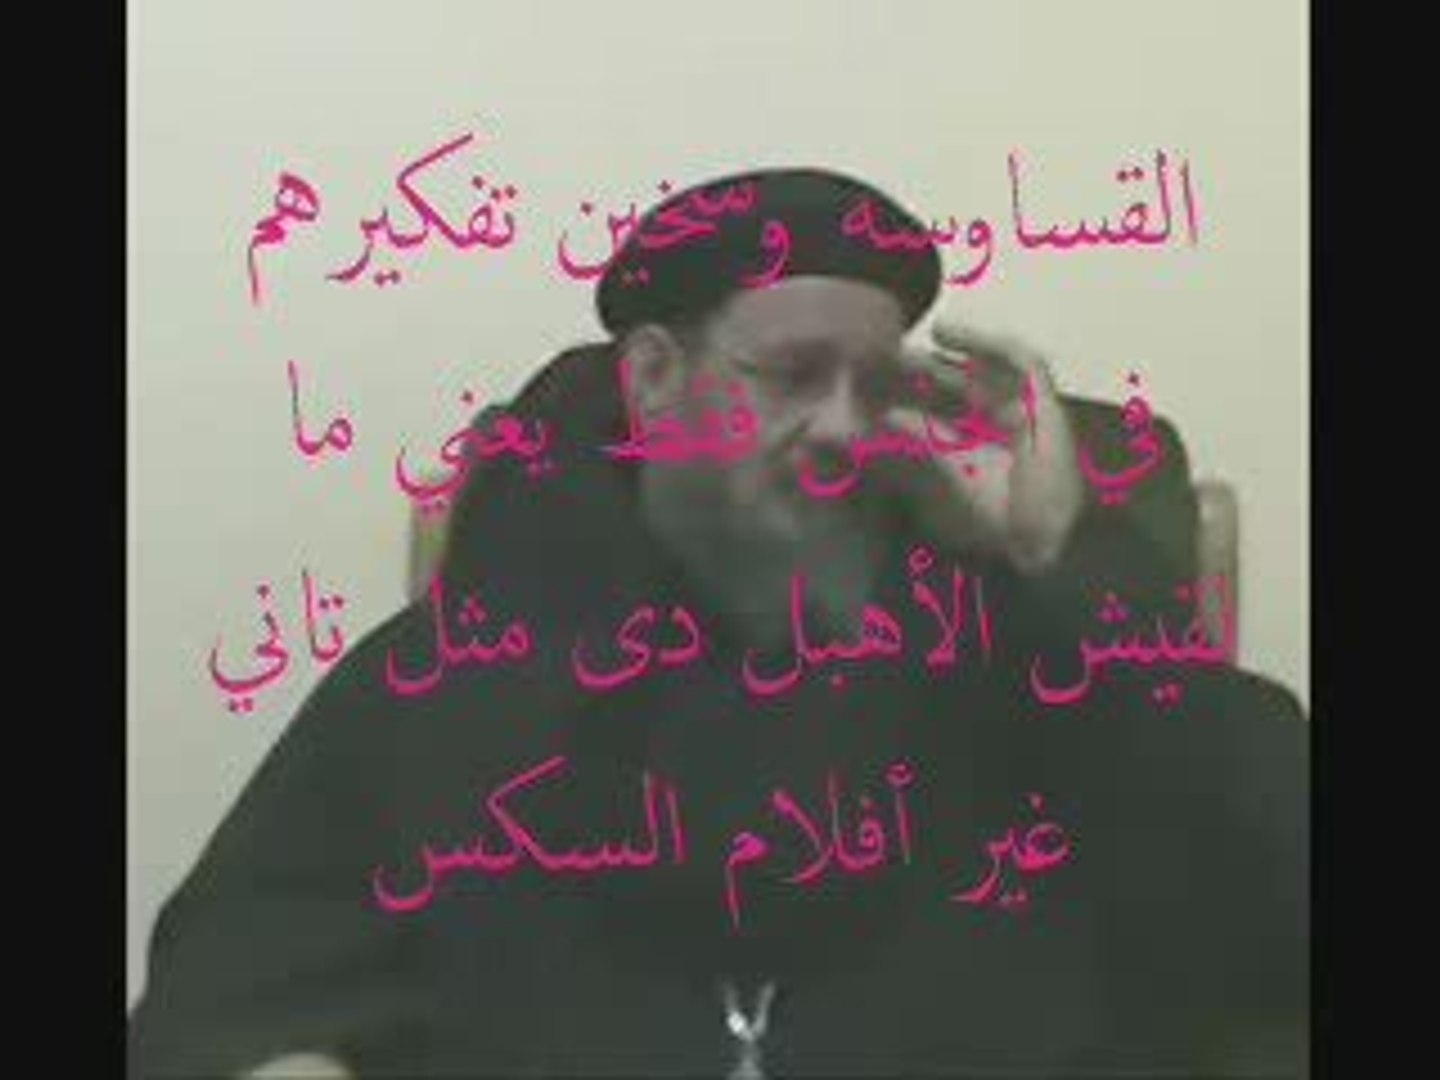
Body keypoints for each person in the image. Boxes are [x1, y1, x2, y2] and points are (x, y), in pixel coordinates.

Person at [130, 168, 1308, 1078]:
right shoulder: (473, 662)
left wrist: (1060, 550)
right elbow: (226, 982)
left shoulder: (1010, 643)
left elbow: (1271, 893)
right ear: (652, 380)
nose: (844, 430)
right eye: (792, 375)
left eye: (876, 385)